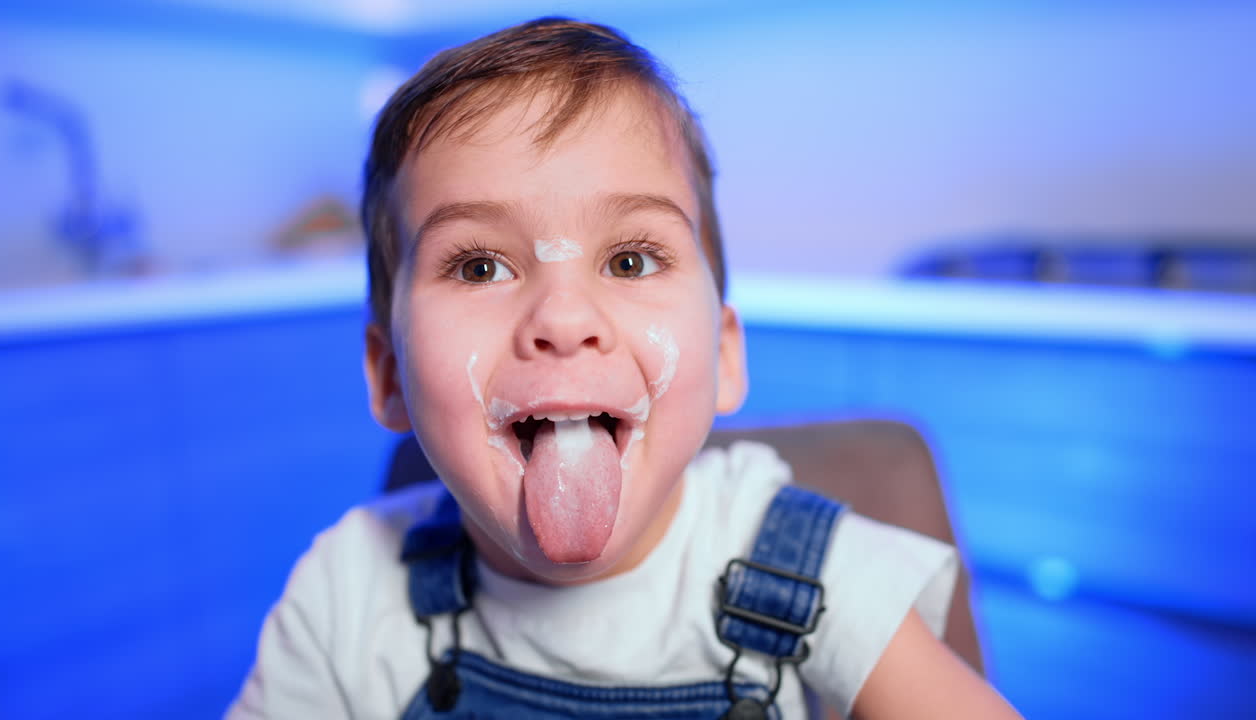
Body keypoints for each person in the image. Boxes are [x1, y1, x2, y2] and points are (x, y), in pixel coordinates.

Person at [228, 17, 1022, 720]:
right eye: (478, 267)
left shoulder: (814, 576)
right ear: (389, 375)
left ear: (723, 353)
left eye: (632, 258)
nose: (565, 319)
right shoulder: (345, 593)